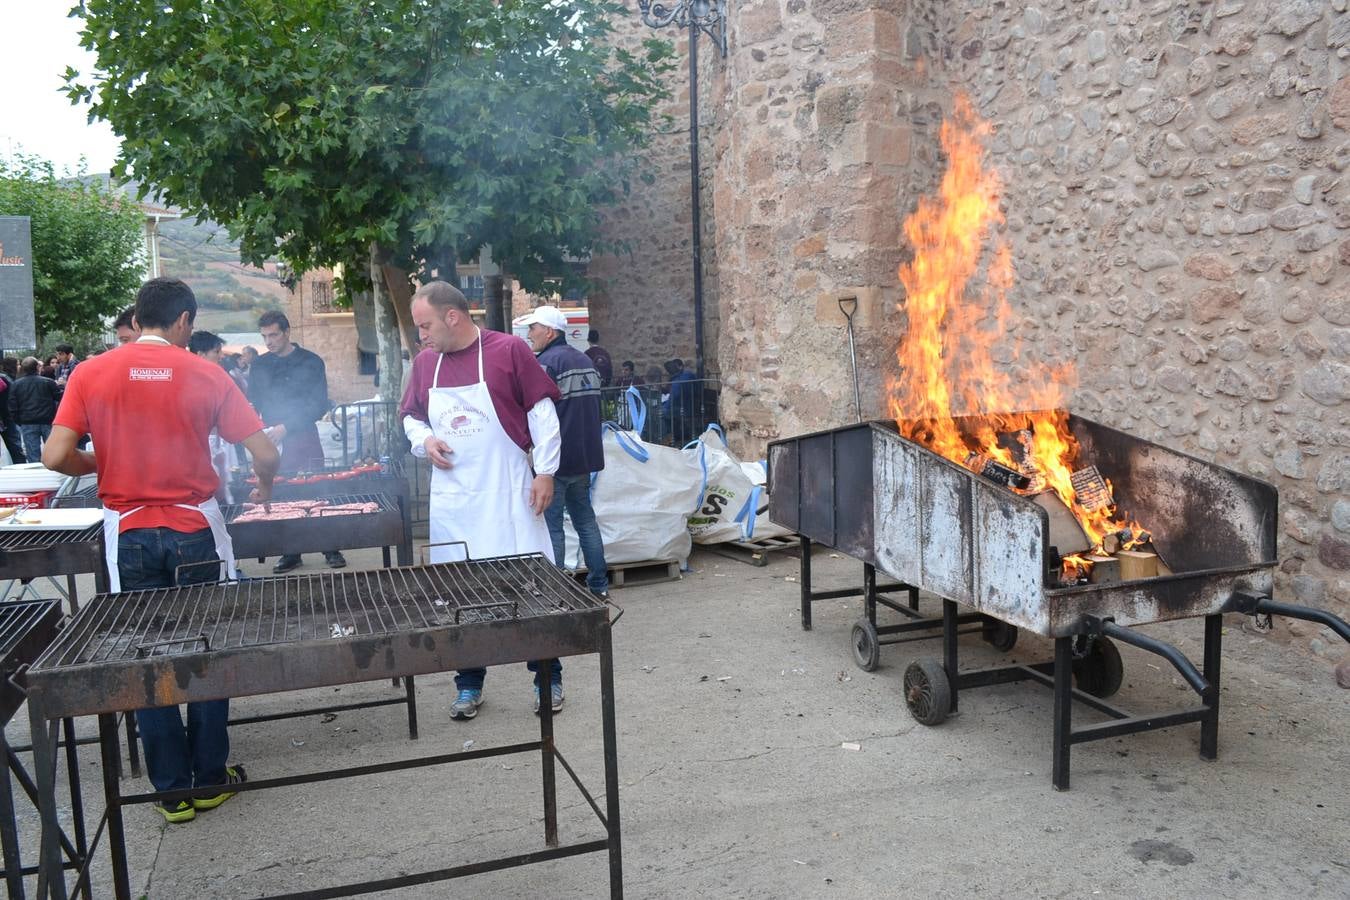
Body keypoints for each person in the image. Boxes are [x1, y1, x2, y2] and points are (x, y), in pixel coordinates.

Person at [43, 276, 280, 824]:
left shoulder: (91, 371)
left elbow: (56, 456)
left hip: (127, 534)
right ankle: (210, 779)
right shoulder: (205, 371)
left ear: (139, 317)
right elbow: (264, 452)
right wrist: (265, 486)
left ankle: (171, 792)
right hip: (195, 529)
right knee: (207, 649)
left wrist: (103, 464)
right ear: (183, 321)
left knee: (146, 657)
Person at [399, 281, 562, 720]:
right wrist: (426, 439)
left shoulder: (508, 351)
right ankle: (469, 684)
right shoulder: (424, 364)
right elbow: (411, 417)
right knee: (459, 594)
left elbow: (541, 412)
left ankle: (548, 676)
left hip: (508, 493)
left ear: (453, 316)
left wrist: (544, 471)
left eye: (425, 325)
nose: (422, 336)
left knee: (530, 587)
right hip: (455, 503)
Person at [522, 306, 609, 603]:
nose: (529, 333)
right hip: (584, 458)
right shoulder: (585, 360)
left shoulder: (545, 364)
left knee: (553, 527)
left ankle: (556, 589)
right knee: (585, 520)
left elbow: (538, 413)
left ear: (549, 331)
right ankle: (599, 585)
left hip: (555, 461)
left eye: (533, 327)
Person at [248, 311, 345, 572]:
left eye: (274, 335)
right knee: (282, 493)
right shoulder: (258, 365)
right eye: (265, 336)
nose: (269, 341)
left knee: (317, 489)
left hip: (303, 433)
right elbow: (253, 403)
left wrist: (287, 427)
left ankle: (331, 547)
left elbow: (318, 404)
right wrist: (259, 432)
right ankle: (291, 552)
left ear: (287, 331)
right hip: (271, 440)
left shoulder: (311, 362)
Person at [189, 331, 235, 505]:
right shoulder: (189, 381)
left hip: (218, 445)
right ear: (200, 354)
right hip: (202, 449)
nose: (221, 356)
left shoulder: (217, 379)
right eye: (216, 352)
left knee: (223, 490)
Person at [9, 357, 61, 463]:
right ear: (37, 367)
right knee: (54, 453)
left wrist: (18, 421)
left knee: (33, 455)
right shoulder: (48, 382)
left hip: (27, 422)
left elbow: (12, 405)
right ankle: (54, 473)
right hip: (48, 420)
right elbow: (60, 398)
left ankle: (37, 476)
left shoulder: (16, 384)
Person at [664, 358, 699, 446]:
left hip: (686, 406)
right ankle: (674, 436)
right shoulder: (682, 377)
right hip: (683, 405)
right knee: (665, 411)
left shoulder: (684, 377)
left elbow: (675, 396)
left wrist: (665, 406)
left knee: (663, 413)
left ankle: (669, 438)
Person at [0, 358, 26, 464]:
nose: (19, 366)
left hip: (6, 416)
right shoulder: (6, 379)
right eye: (18, 364)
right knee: (14, 443)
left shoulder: (5, 378)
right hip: (7, 416)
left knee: (13, 443)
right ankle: (20, 464)